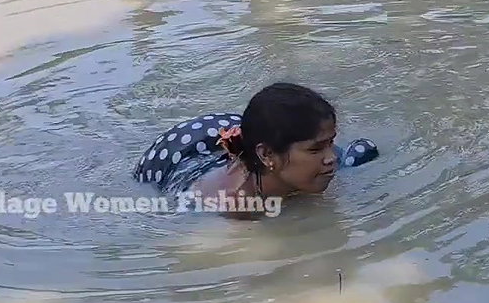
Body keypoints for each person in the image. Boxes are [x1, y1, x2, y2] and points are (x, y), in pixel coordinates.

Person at [131, 82, 379, 215]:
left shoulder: (319, 157)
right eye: (316, 150)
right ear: (267, 155)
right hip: (182, 152)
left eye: (331, 142)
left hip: (239, 135)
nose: (330, 158)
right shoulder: (227, 204)